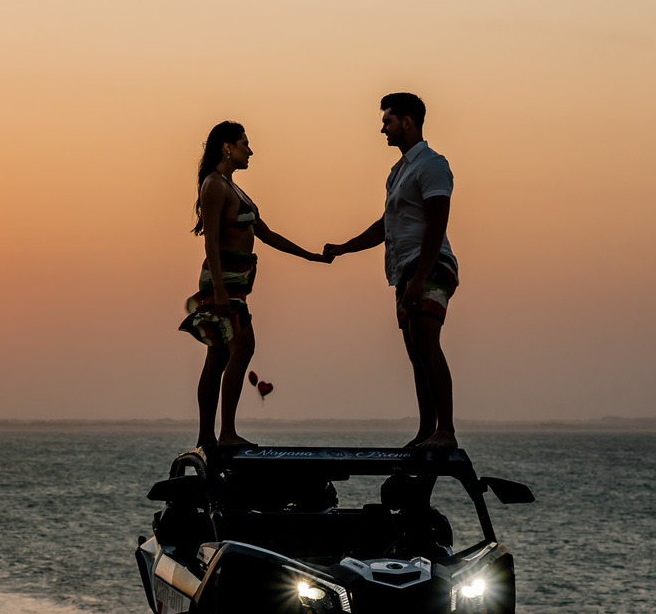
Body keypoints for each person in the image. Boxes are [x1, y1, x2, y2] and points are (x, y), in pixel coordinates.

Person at [182, 121, 330, 447]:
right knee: (243, 347)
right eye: (245, 143)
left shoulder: (233, 188)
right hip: (223, 282)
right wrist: (219, 289)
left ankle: (209, 436)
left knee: (218, 357)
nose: (250, 150)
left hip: (235, 282)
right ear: (227, 147)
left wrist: (310, 256)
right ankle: (225, 434)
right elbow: (212, 240)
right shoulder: (214, 186)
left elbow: (267, 234)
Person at [324, 93, 460, 448]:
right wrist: (343, 248)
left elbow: (437, 222)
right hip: (404, 271)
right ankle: (426, 431)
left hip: (428, 265)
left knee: (427, 344)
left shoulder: (432, 164)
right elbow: (386, 224)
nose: (382, 127)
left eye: (387, 121)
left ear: (407, 122)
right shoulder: (398, 173)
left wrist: (419, 278)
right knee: (416, 352)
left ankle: (445, 431)